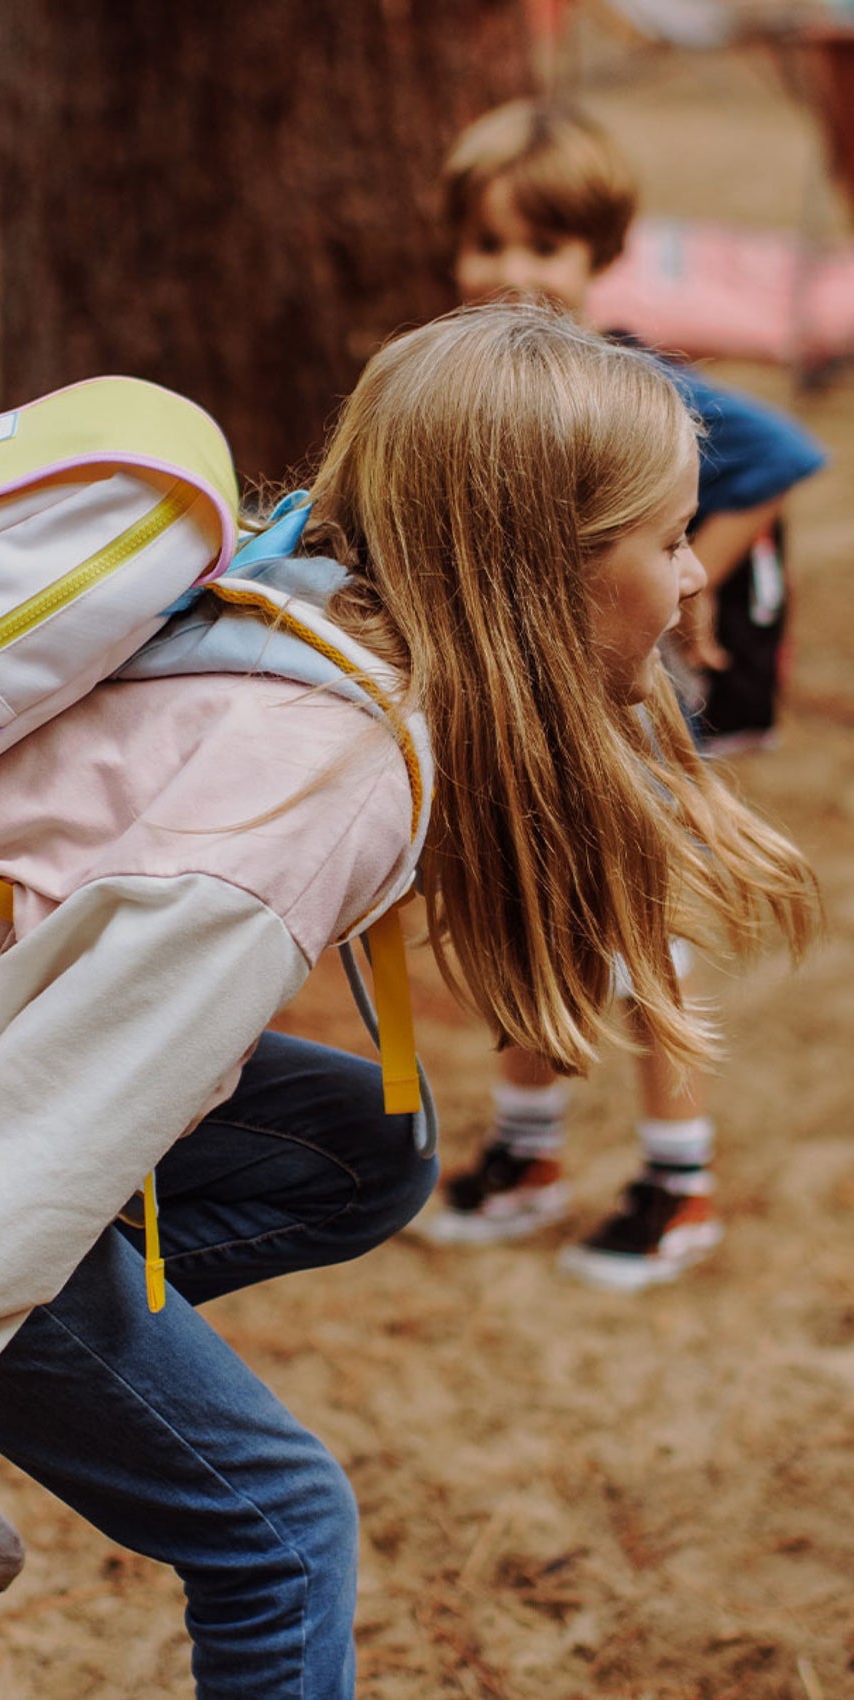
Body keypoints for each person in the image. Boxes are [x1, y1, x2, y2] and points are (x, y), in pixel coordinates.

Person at [0, 303, 817, 1695]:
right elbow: (38, 1137)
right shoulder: (314, 787)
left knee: (360, 1146)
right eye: (665, 542)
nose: (689, 581)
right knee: (282, 1539)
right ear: (540, 573)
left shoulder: (313, 597)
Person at [419, 99, 827, 1289]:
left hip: (636, 707)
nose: (511, 271)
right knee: (521, 912)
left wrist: (685, 568)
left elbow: (785, 454)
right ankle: (527, 1154)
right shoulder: (485, 382)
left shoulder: (627, 383)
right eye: (487, 242)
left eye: (542, 248)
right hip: (540, 705)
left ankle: (675, 1177)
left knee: (639, 936)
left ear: (597, 256)